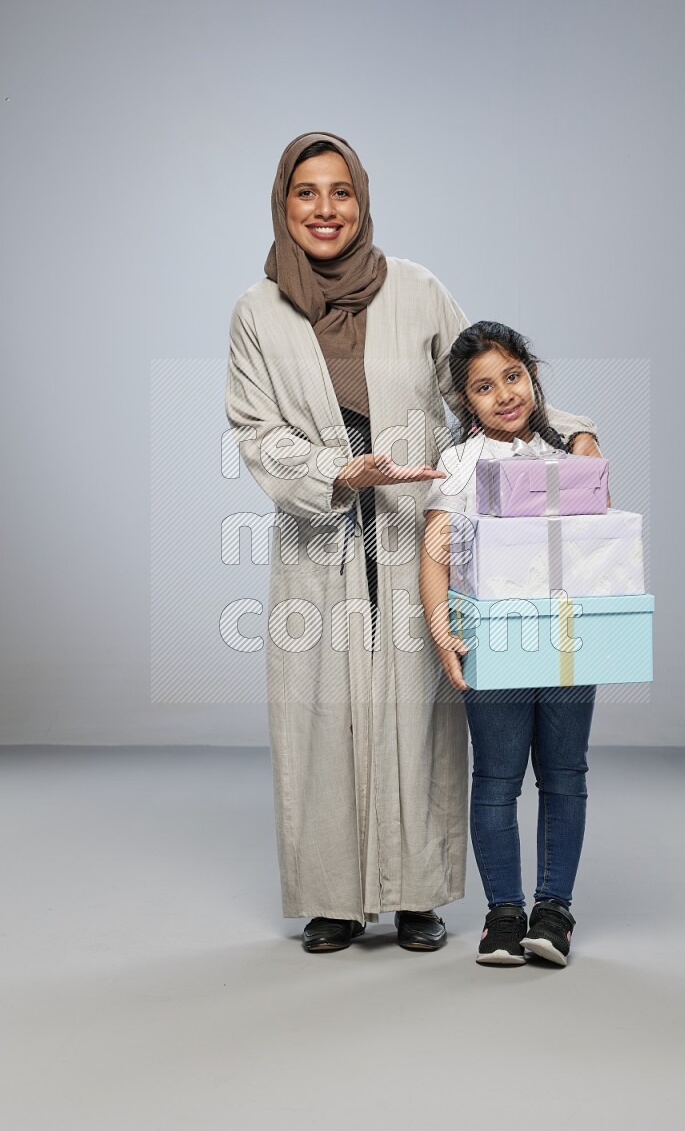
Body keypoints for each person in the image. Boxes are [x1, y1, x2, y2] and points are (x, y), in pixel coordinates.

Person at [226, 133, 599, 952]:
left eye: (341, 193)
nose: (325, 210)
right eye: (306, 193)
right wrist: (335, 471)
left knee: (419, 717)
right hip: (320, 536)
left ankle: (416, 895)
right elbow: (255, 431)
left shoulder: (418, 289)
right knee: (324, 716)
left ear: (362, 201)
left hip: (413, 532)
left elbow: (482, 379)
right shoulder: (257, 312)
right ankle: (332, 898)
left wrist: (568, 431)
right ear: (284, 205)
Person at [420, 321, 603, 967]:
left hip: (566, 635)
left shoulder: (568, 451)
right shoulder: (460, 464)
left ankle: (554, 912)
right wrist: (443, 632)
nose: (503, 394)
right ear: (465, 403)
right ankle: (504, 914)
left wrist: (585, 443)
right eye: (482, 387)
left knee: (565, 774)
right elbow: (436, 549)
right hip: (494, 642)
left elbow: (599, 540)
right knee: (497, 779)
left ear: (532, 374)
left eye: (513, 376)